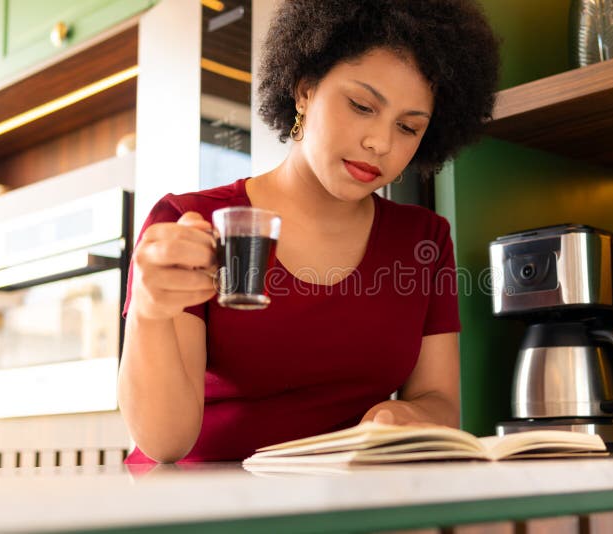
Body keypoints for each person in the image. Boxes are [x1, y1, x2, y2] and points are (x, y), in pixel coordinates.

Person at [118, 0, 500, 464]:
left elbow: (441, 401)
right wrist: (148, 312)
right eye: (361, 105)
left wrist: (405, 417)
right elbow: (165, 444)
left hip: (341, 503)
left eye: (408, 126)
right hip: (200, 502)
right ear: (304, 90)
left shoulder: (424, 239)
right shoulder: (192, 221)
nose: (380, 143)